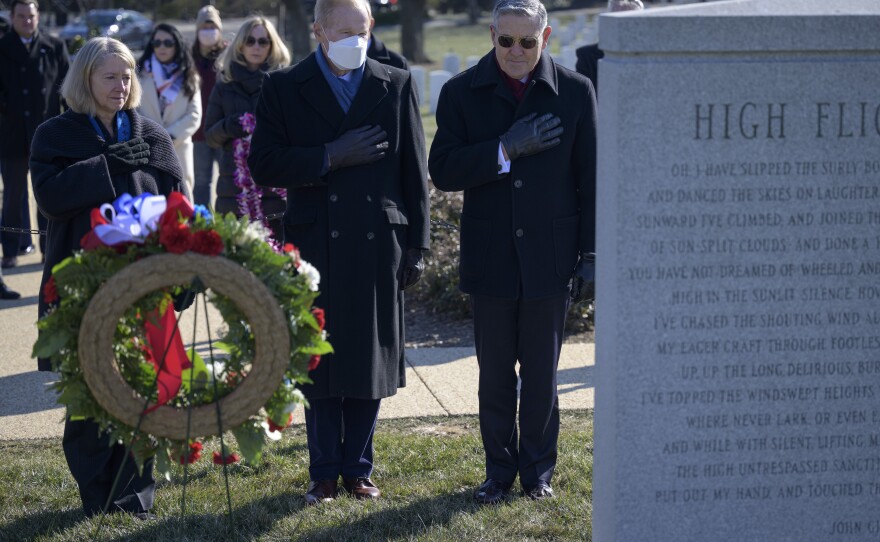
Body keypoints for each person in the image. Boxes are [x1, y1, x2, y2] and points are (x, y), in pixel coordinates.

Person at [248, 0, 430, 506]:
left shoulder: (394, 83)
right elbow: (264, 162)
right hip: (315, 240)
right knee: (320, 362)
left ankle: (358, 469)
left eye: (362, 29)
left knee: (369, 359)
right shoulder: (284, 87)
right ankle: (323, 472)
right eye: (343, 30)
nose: (355, 38)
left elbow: (414, 172)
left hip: (378, 238)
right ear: (319, 31)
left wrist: (417, 244)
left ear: (372, 28)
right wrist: (330, 155)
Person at [428, 0, 597, 504]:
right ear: (492, 34)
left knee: (542, 377)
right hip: (491, 255)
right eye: (506, 40)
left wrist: (591, 256)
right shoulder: (461, 92)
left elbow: (590, 181)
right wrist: (505, 148)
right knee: (495, 376)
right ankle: (498, 472)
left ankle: (538, 471)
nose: (516, 51)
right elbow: (444, 170)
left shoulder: (575, 91)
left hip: (552, 255)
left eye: (528, 41)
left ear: (545, 38)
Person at [29, 37, 187, 519]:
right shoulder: (56, 134)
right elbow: (51, 197)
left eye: (127, 77)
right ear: (85, 80)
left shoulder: (153, 136)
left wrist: (184, 274)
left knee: (141, 389)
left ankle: (135, 494)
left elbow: (177, 207)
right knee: (92, 395)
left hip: (144, 289)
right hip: (82, 289)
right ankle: (97, 494)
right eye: (109, 77)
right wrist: (105, 164)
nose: (120, 86)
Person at [204, 16, 290, 237]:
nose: (256, 47)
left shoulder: (284, 83)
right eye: (250, 40)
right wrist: (230, 126)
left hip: (274, 185)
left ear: (272, 45)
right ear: (240, 44)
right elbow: (210, 136)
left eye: (263, 41)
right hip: (233, 190)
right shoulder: (225, 84)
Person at [0, 0, 69, 268]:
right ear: (12, 17)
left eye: (31, 16)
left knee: (48, 198)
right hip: (12, 135)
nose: (27, 21)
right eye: (21, 16)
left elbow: (68, 89)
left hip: (48, 135)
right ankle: (10, 251)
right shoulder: (3, 48)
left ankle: (50, 250)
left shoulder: (54, 47)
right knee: (13, 198)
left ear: (38, 16)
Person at [137, 23, 202, 196]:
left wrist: (169, 136)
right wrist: (151, 136)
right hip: (147, 146)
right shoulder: (139, 74)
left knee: (183, 201)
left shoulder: (189, 75)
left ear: (177, 45)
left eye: (168, 43)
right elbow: (133, 110)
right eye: (157, 43)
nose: (162, 47)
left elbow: (194, 114)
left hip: (178, 146)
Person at [191, 5, 228, 207]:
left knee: (228, 180)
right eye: (204, 25)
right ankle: (201, 225)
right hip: (198, 134)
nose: (208, 30)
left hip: (223, 131)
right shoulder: (189, 58)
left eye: (212, 25)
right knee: (202, 182)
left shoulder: (229, 54)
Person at [574, 0, 643, 94]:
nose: (623, 27)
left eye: (629, 20)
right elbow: (582, 98)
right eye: (618, 20)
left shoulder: (651, 56)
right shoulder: (587, 57)